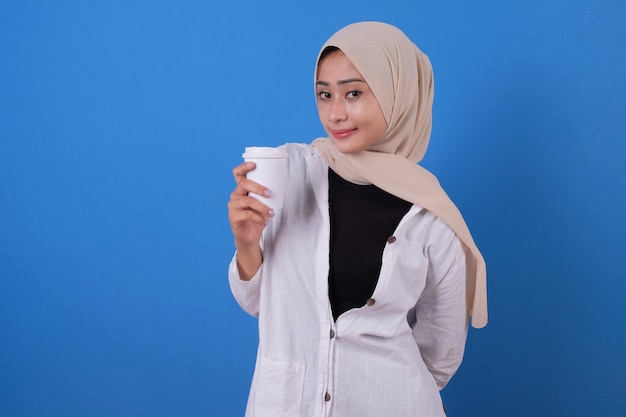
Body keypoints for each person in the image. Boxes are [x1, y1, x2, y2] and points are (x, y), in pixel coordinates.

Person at [227, 21, 487, 417]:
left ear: (398, 93)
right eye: (324, 95)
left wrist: (375, 386)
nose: (335, 114)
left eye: (353, 93)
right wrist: (247, 245)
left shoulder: (432, 217)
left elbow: (441, 353)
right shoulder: (289, 173)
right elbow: (259, 304)